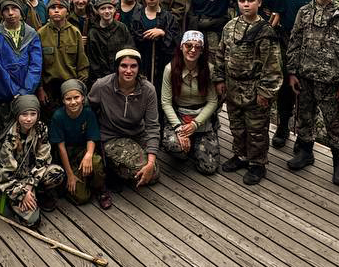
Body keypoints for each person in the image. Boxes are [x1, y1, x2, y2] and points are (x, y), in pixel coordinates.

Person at [285, 0, 339, 181]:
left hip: (331, 81)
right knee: (305, 117)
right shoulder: (304, 12)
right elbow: (295, 43)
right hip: (305, 76)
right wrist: (291, 72)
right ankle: (305, 152)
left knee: (334, 122)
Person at [214, 0, 283, 186]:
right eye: (242, 1)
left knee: (256, 128)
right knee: (236, 125)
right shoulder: (230, 26)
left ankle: (257, 163)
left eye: (250, 0)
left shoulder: (265, 32)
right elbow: (221, 54)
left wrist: (266, 92)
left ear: (259, 2)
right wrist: (219, 79)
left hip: (254, 88)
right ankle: (240, 155)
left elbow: (273, 65)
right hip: (233, 85)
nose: (246, 4)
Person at [88, 48, 161, 188]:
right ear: (117, 67)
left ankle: (119, 167)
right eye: (124, 66)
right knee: (146, 174)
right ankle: (110, 164)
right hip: (111, 136)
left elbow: (152, 126)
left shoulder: (148, 90)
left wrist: (151, 162)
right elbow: (88, 112)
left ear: (139, 68)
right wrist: (92, 142)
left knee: (153, 171)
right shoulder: (102, 86)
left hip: (137, 134)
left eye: (133, 66)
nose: (128, 70)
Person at [271, 0, 319, 149]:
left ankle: (304, 135)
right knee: (284, 85)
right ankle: (283, 126)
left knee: (306, 88)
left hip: (310, 42)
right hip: (283, 38)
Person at [0, 94, 66, 229]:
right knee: (33, 221)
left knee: (57, 173)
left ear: (38, 115)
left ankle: (39, 194)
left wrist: (31, 185)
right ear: (17, 116)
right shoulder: (9, 140)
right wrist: (22, 193)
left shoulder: (41, 128)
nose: (29, 119)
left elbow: (43, 159)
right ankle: (16, 200)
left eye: (33, 114)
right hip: (15, 182)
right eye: (24, 114)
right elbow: (5, 176)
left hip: (34, 176)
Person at [159, 32, 221, 175]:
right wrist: (179, 128)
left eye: (197, 47)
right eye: (188, 45)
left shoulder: (209, 69)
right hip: (179, 116)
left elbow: (212, 101)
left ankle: (198, 142)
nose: (192, 50)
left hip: (201, 119)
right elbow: (166, 102)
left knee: (208, 167)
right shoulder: (170, 69)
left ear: (202, 50)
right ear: (181, 47)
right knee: (174, 146)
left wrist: (195, 124)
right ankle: (188, 145)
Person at [49, 79, 110, 208]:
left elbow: (92, 137)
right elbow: (61, 148)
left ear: (82, 97)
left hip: (83, 151)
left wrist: (88, 155)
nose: (73, 102)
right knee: (82, 197)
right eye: (68, 99)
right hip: (68, 157)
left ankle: (100, 189)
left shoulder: (88, 112)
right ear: (63, 100)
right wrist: (70, 175)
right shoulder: (58, 117)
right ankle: (74, 182)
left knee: (95, 161)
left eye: (76, 97)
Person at [0, 0, 43, 113]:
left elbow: (36, 65)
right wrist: (13, 91)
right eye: (6, 9)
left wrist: (25, 91)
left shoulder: (31, 34)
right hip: (4, 92)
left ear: (21, 10)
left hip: (27, 91)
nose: (10, 13)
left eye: (14, 8)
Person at [37, 0, 90, 119]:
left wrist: (78, 87)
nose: (56, 11)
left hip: (70, 85)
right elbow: (37, 65)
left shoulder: (74, 32)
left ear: (67, 11)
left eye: (60, 7)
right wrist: (40, 89)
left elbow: (82, 63)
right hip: (49, 88)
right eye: (52, 8)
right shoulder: (40, 34)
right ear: (48, 11)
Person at [130, 0, 181, 96]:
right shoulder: (137, 16)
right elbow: (133, 37)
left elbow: (176, 39)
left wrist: (163, 33)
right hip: (143, 61)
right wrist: (144, 36)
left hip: (162, 62)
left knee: (160, 92)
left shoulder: (168, 17)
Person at [86, 0, 132, 85]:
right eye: (102, 8)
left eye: (110, 8)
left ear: (115, 9)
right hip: (101, 81)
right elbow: (93, 62)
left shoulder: (122, 28)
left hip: (122, 76)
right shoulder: (93, 33)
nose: (107, 11)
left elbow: (129, 51)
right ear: (97, 11)